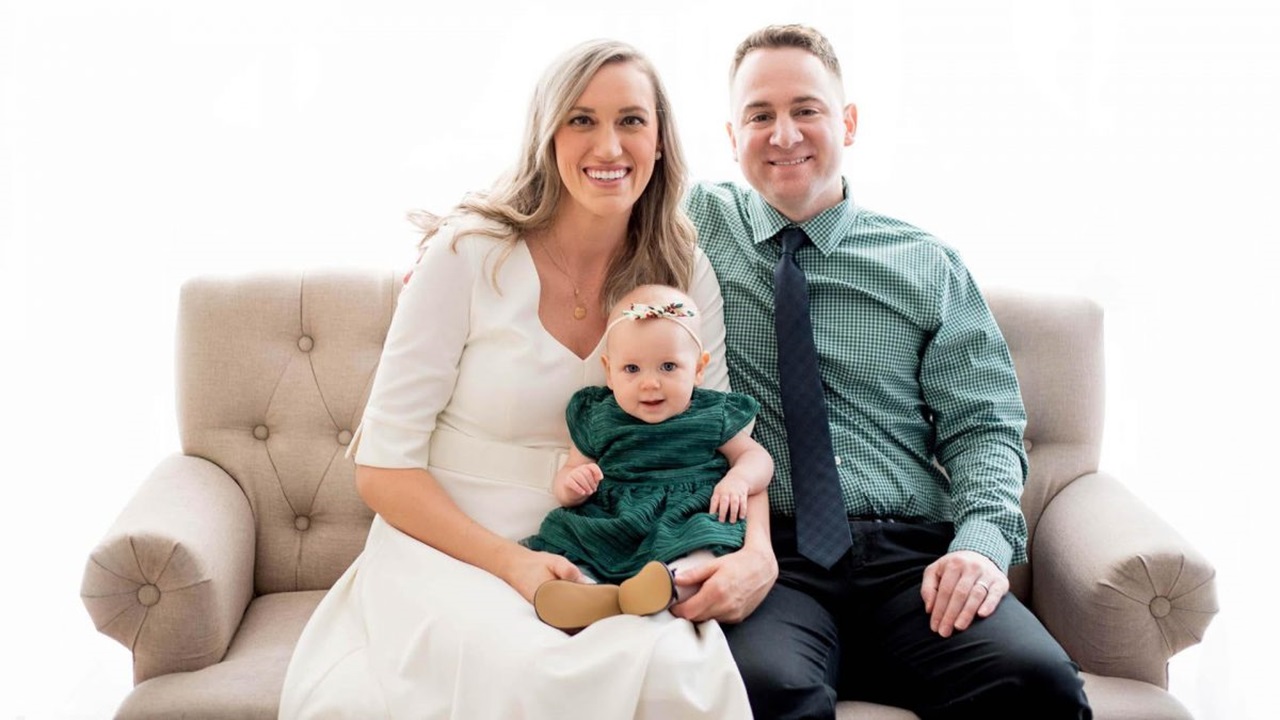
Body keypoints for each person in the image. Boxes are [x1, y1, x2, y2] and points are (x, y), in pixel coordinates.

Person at [278, 39, 761, 719]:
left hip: (607, 540)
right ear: (547, 134)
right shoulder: (470, 254)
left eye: (631, 120)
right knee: (524, 672)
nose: (609, 145)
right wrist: (513, 565)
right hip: (453, 544)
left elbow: (720, 439)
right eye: (581, 119)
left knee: (681, 672)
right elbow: (382, 469)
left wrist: (755, 555)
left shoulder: (683, 269)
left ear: (660, 143)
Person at [680, 24, 1093, 718]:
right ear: (731, 135)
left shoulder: (923, 263)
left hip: (907, 557)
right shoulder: (695, 223)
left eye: (805, 109)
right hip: (774, 556)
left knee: (1037, 681)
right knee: (761, 692)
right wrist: (455, 249)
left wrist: (982, 547)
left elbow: (985, 425)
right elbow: (573, 206)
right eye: (760, 115)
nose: (784, 134)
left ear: (847, 121)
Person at [524, 284, 773, 632]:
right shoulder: (598, 416)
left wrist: (739, 479)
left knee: (704, 552)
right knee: (578, 548)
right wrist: (571, 486)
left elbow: (757, 457)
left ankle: (669, 586)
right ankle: (592, 594)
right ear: (609, 371)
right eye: (632, 370)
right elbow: (570, 471)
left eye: (668, 367)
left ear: (699, 369)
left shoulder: (710, 413)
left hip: (688, 516)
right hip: (616, 518)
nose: (650, 384)